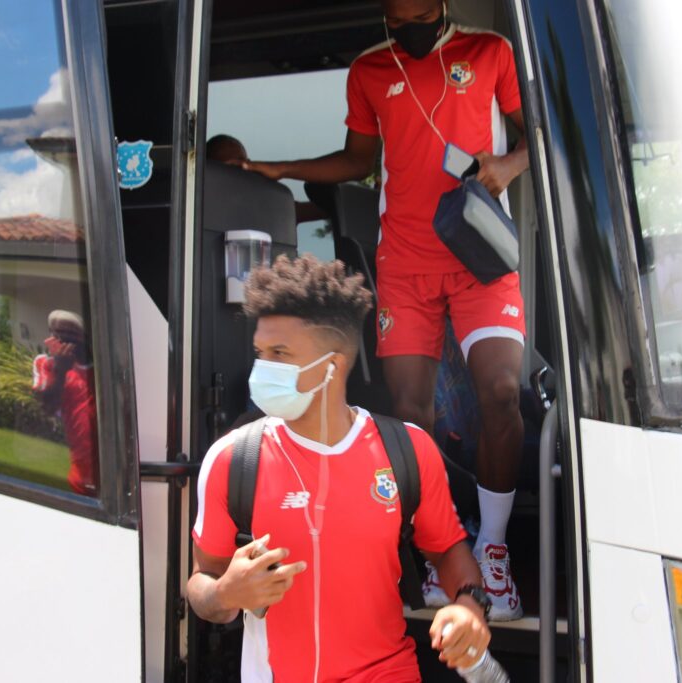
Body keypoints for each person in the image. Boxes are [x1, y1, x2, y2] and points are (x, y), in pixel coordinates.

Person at [243, 0, 529, 620]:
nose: (410, 28)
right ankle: (441, 550)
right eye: (397, 21)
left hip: (479, 253)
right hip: (404, 262)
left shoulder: (490, 53)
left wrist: (507, 164)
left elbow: (542, 134)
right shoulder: (371, 69)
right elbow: (358, 161)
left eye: (420, 14)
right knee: (409, 414)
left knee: (503, 391)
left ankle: (493, 547)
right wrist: (280, 166)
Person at [188, 254, 493, 682]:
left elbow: (447, 550)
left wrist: (470, 606)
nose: (262, 369)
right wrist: (225, 593)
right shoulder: (233, 459)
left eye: (279, 353)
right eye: (260, 352)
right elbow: (202, 580)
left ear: (332, 366)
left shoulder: (407, 449)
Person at [32, 310, 98, 496]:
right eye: (56, 334)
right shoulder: (46, 364)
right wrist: (60, 370)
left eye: (70, 335)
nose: (61, 340)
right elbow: (46, 406)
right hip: (81, 475)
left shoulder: (102, 368)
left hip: (111, 471)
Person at [206, 133, 328, 224]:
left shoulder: (269, 206)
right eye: (230, 168)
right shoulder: (199, 208)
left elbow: (326, 209)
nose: (241, 171)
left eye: (244, 164)